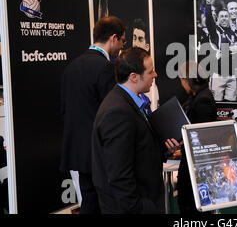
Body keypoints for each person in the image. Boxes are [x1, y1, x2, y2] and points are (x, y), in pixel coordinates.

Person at [91, 47, 179, 214]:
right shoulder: (117, 112)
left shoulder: (130, 103)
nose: (155, 75)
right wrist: (140, 208)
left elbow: (137, 150)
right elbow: (118, 173)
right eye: (150, 71)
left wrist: (163, 149)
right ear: (133, 77)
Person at [60, 16, 126, 214]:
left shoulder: (72, 66)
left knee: (89, 201)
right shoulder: (105, 68)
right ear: (114, 38)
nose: (122, 46)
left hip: (78, 151)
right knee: (102, 204)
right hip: (99, 153)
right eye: (123, 40)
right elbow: (110, 114)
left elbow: (65, 109)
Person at [176, 61, 217, 214]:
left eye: (181, 80)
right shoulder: (200, 96)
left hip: (196, 171)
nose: (181, 84)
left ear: (187, 80)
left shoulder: (202, 100)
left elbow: (202, 137)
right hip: (195, 167)